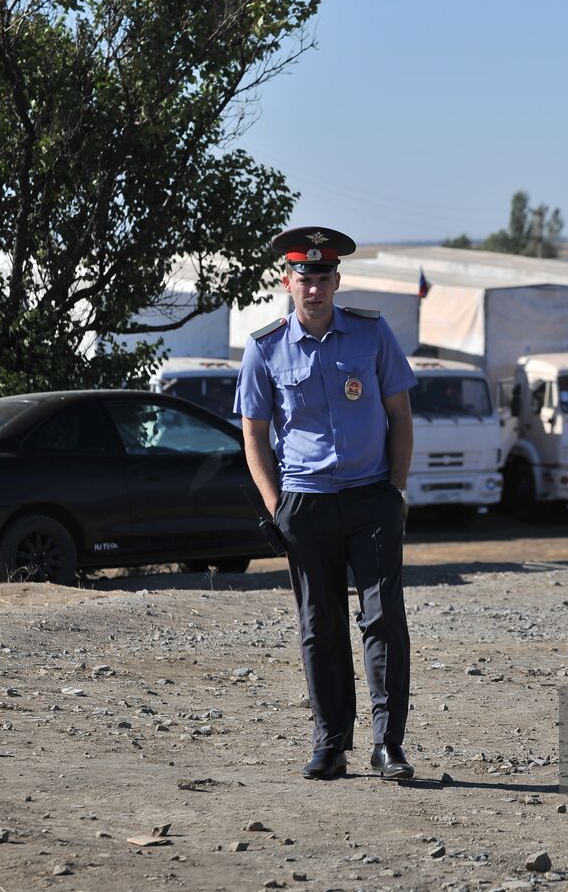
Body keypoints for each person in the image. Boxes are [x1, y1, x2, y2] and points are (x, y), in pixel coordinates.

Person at [235, 226, 418, 782]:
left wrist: (397, 491)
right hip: (306, 503)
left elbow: (400, 415)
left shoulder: (372, 333)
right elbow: (254, 431)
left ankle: (388, 745)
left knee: (383, 619)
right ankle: (331, 744)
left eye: (323, 279)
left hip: (371, 498)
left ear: (337, 281)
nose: (313, 289)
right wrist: (275, 507)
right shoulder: (265, 347)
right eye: (303, 279)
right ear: (286, 282)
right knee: (321, 626)